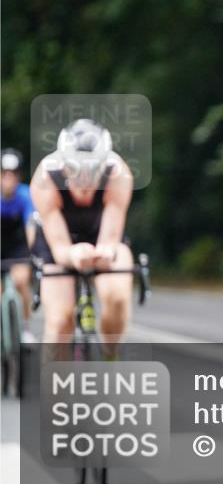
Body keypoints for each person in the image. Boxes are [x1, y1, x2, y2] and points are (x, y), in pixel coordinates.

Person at [29, 119, 135, 355]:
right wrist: (73, 255)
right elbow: (59, 248)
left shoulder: (118, 173)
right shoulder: (45, 178)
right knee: (59, 322)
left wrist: (105, 252)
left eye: (92, 171)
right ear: (65, 165)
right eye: (77, 171)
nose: (85, 180)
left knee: (117, 296)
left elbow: (110, 239)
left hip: (100, 236)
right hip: (58, 242)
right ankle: (56, 389)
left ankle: (110, 353)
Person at [1, 148, 37, 342]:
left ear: (19, 176)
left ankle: (25, 326)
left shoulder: (25, 195)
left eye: (12, 174)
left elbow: (30, 225)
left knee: (22, 280)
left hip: (17, 246)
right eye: (4, 173)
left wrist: (32, 253)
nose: (8, 178)